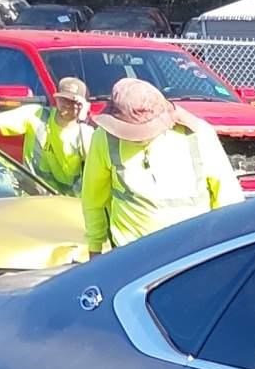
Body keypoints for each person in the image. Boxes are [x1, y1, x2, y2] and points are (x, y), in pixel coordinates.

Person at [80, 77, 243, 255]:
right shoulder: (103, 138)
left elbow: (228, 196)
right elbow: (93, 198)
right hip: (131, 255)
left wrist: (229, 248)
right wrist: (95, 248)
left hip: (193, 253)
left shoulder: (199, 134)